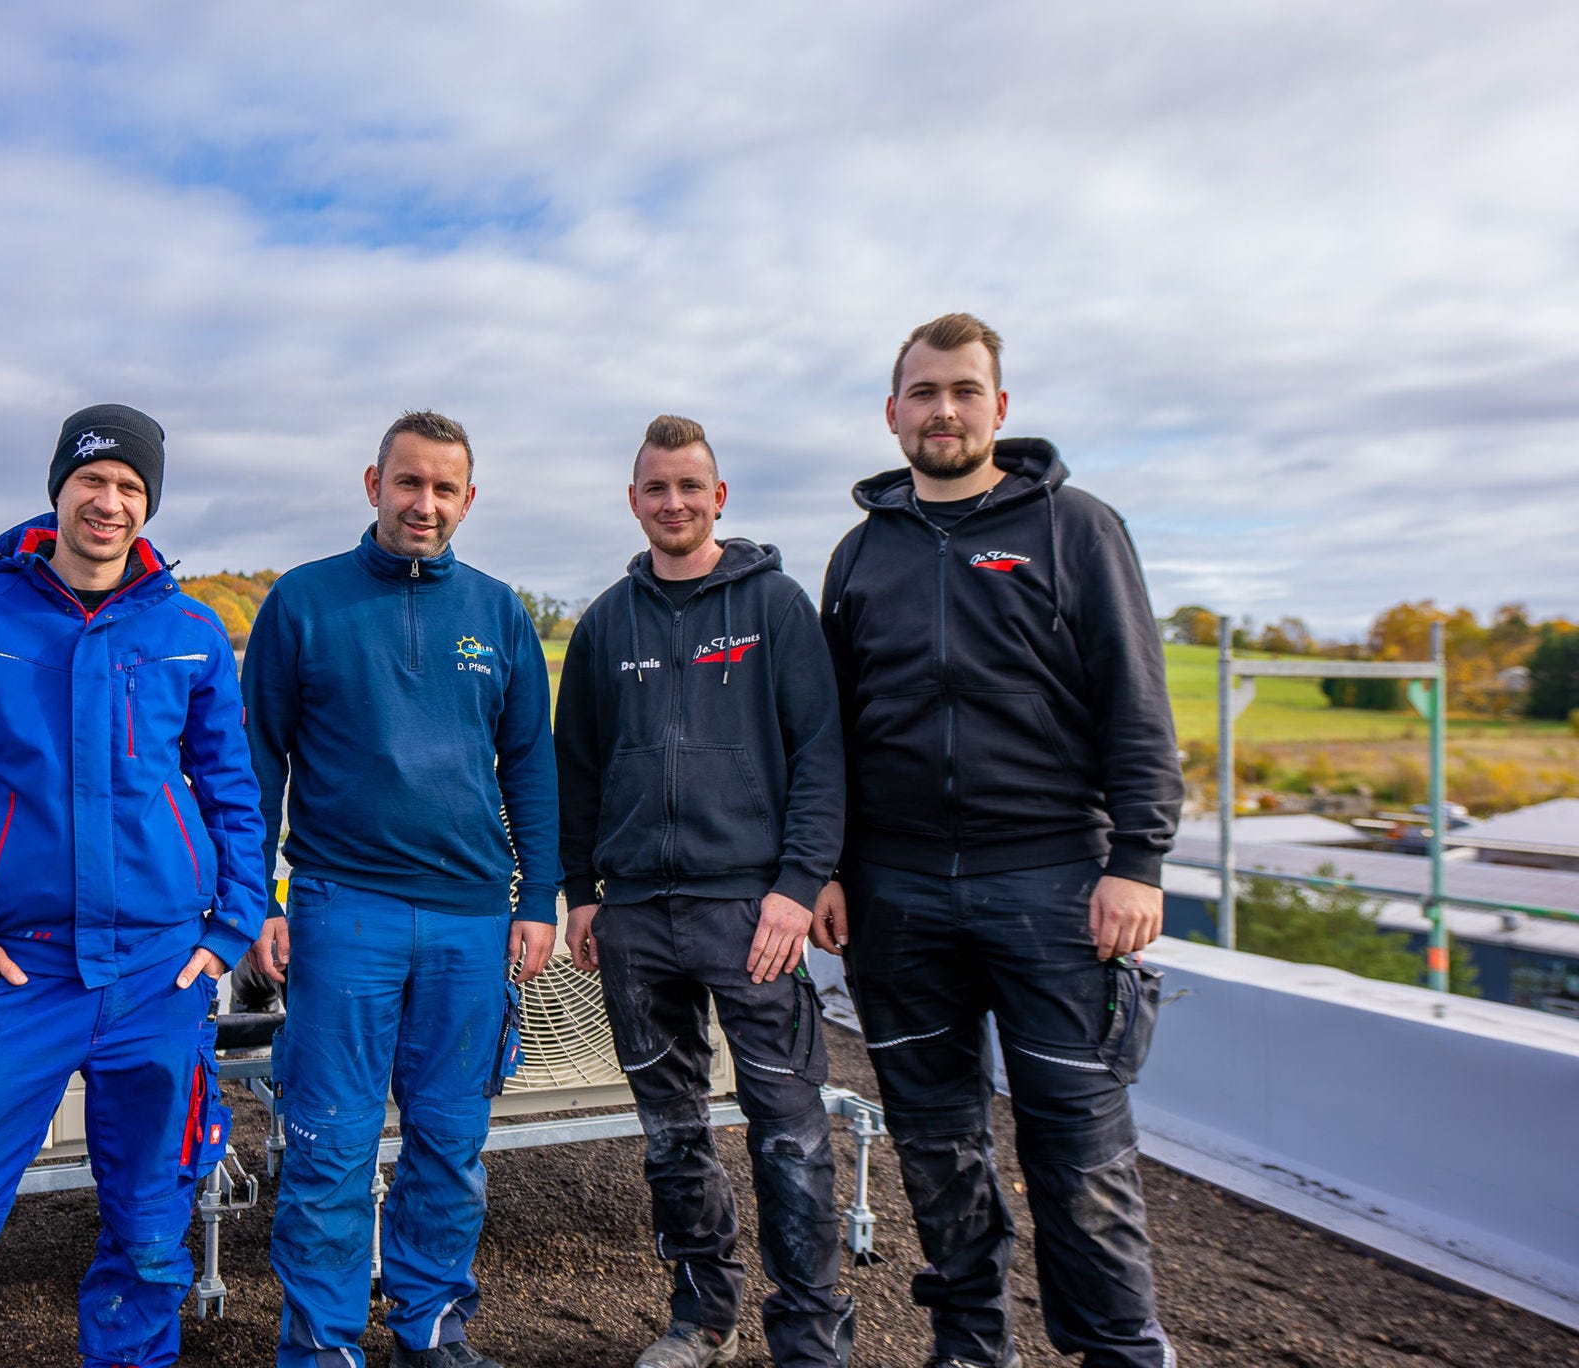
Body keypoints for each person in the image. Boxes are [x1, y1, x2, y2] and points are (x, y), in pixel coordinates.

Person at [0, 403, 266, 1368]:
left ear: (148, 504)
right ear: (59, 489)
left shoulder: (191, 632)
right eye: (93, 480)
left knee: (152, 1236)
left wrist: (230, 928)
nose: (109, 502)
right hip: (17, 974)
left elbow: (233, 791)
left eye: (130, 487)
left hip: (159, 975)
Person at [814, 314, 1181, 1368]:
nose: (943, 410)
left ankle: (1120, 1351)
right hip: (896, 895)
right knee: (935, 1145)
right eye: (923, 393)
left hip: (1051, 882)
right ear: (893, 414)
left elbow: (1135, 702)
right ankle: (970, 1345)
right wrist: (830, 866)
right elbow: (832, 731)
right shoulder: (860, 554)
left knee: (1080, 1146)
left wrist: (1137, 861)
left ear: (999, 408)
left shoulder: (1076, 528)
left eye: (963, 390)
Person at [242, 410, 560, 1368]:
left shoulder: (499, 614)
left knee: (450, 1143)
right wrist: (256, 898)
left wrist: (536, 899)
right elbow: (255, 764)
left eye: (444, 488)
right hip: (343, 910)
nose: (425, 503)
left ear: (469, 498)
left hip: (472, 917)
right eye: (409, 482)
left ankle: (431, 1331)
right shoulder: (303, 603)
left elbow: (530, 766)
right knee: (330, 1145)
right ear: (373, 482)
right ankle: (323, 1346)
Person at [553, 415, 853, 1368]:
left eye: (690, 486)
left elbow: (821, 754)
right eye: (656, 488)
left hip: (752, 913)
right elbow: (575, 769)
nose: (674, 502)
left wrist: (798, 886)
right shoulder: (606, 623)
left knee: (790, 1134)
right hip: (638, 916)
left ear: (718, 497)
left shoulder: (776, 606)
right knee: (672, 1132)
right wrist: (581, 891)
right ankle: (701, 1317)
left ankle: (809, 1338)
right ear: (633, 500)